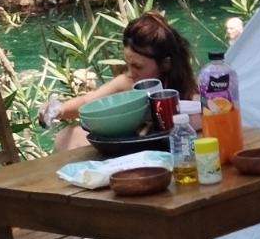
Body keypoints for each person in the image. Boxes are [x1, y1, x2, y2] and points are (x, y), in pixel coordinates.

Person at [42, 11, 199, 152]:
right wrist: (56, 110)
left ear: (166, 64)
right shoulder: (127, 82)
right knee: (66, 136)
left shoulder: (189, 93)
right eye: (128, 64)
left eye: (137, 66)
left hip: (174, 150)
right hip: (131, 148)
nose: (130, 73)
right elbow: (88, 102)